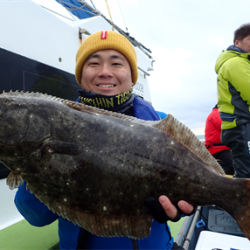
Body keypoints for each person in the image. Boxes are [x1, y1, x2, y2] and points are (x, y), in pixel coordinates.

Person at [15, 30, 194, 250]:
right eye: (94, 64)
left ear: (131, 75)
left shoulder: (163, 125)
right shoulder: (54, 129)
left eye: (116, 63)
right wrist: (35, 162)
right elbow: (37, 217)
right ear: (81, 75)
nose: (105, 72)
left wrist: (188, 202)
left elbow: (197, 183)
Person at [215, 23, 250, 178]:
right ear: (237, 42)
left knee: (243, 173)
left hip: (237, 128)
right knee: (246, 177)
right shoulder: (236, 63)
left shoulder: (238, 62)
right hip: (242, 126)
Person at [204, 104, 234, 175]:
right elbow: (226, 128)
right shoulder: (216, 114)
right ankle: (215, 173)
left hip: (221, 148)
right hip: (218, 149)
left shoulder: (218, 114)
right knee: (238, 165)